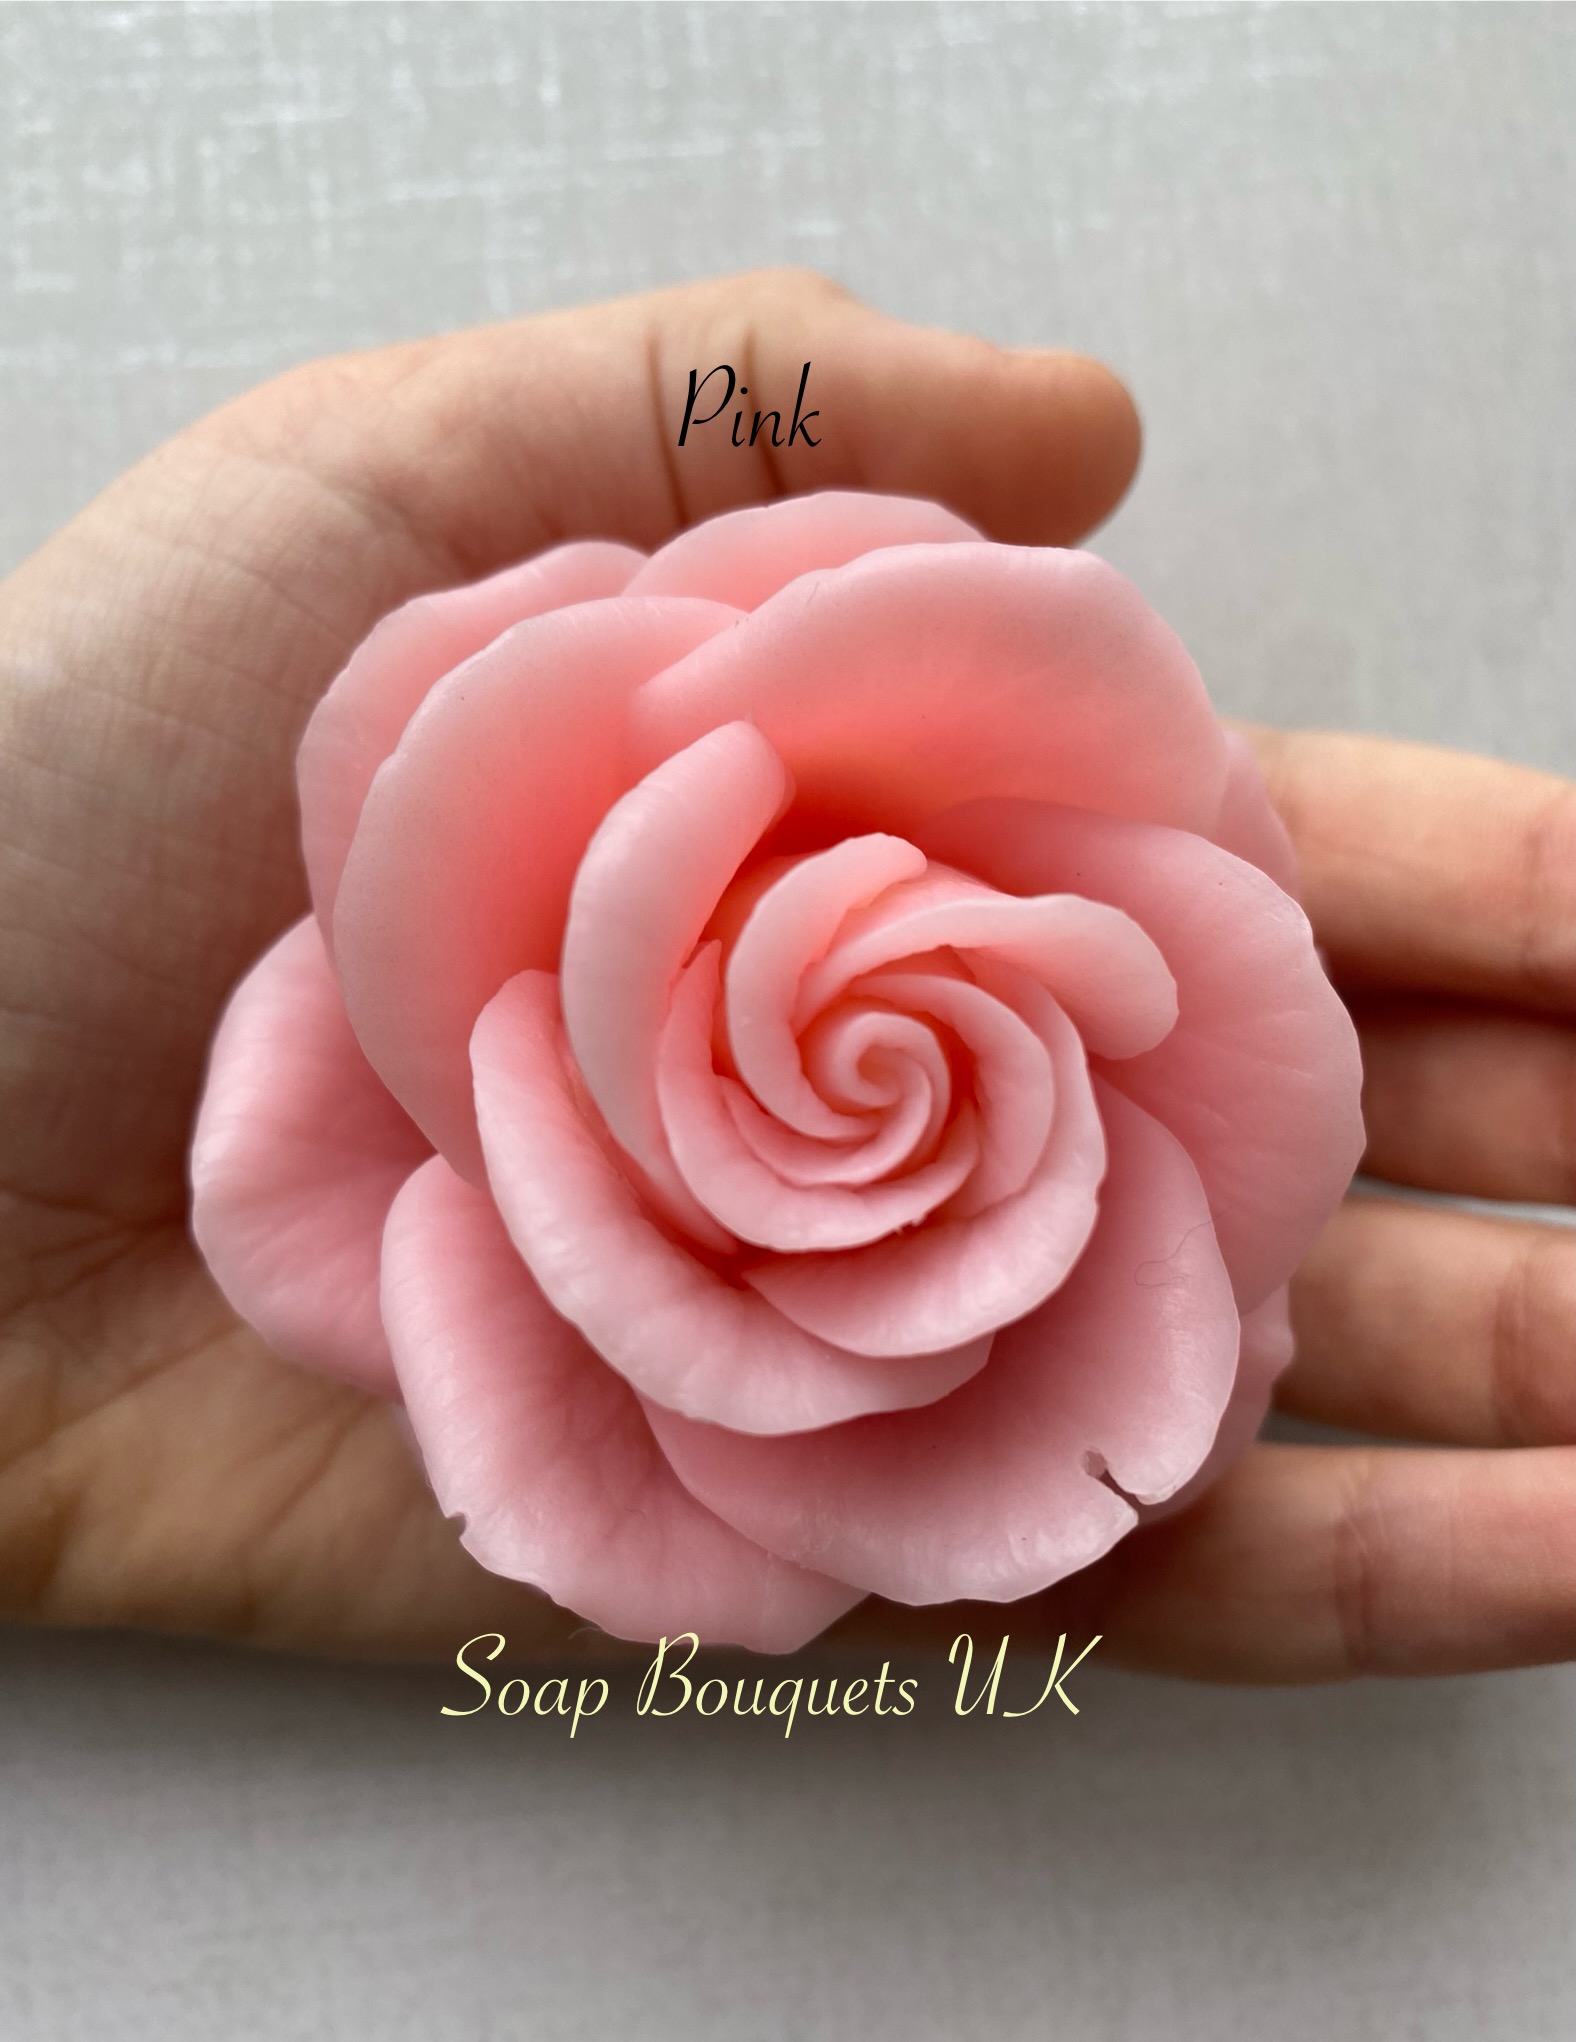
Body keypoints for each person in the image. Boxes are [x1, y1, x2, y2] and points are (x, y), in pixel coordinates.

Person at [2, 270, 1572, 1682]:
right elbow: (295, 1188)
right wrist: (749, 405)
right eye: (743, 409)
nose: (872, 1068)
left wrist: (744, 405)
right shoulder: (484, 833)